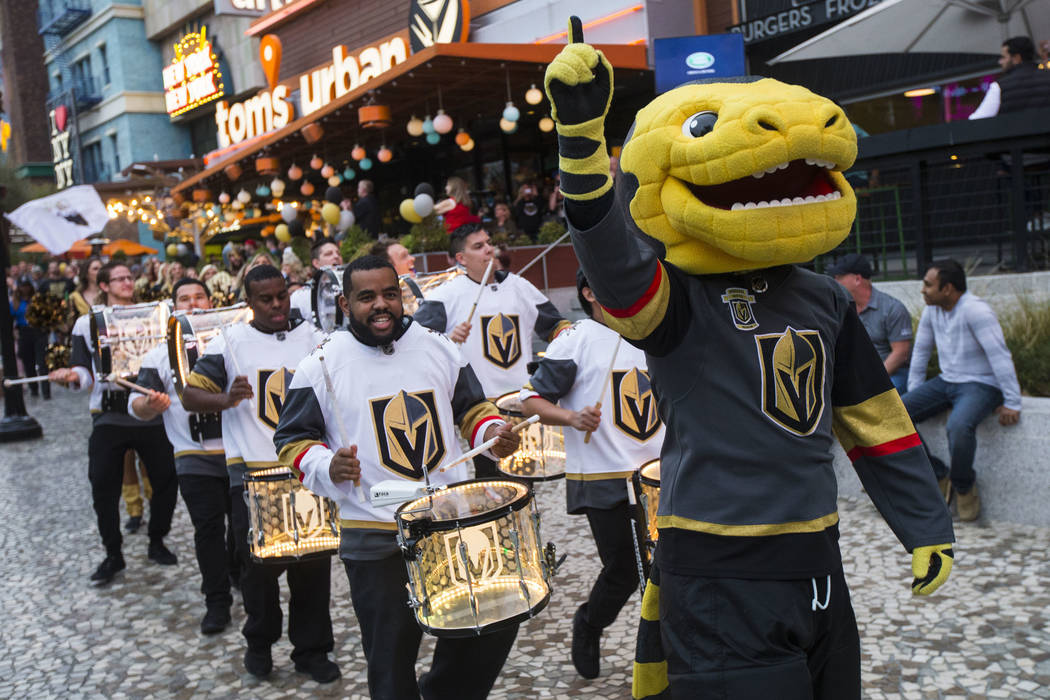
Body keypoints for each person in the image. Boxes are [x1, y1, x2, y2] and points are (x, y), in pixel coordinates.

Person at [544, 31, 954, 699]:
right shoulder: (675, 300)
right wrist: (582, 144)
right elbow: (614, 264)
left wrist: (924, 523)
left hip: (818, 557)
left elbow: (874, 417)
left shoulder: (823, 297)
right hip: (716, 566)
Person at [274, 255, 521, 700]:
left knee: (489, 627)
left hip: (450, 521)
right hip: (374, 535)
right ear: (346, 304)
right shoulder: (321, 363)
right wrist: (326, 464)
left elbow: (473, 410)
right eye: (367, 297)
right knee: (390, 660)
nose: (381, 305)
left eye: (390, 293)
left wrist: (493, 434)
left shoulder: (438, 345)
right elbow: (292, 439)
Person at [180, 265, 338, 683]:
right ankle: (260, 644)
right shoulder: (230, 342)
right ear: (249, 303)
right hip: (253, 472)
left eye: (281, 296)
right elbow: (189, 395)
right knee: (258, 568)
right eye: (265, 299)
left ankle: (311, 649)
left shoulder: (313, 337)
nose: (276, 305)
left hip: (305, 466)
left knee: (313, 561)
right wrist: (224, 398)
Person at [520, 269, 664, 680]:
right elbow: (531, 399)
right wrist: (571, 416)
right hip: (603, 476)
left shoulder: (654, 331)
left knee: (664, 566)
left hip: (658, 472)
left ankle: (666, 657)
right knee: (623, 567)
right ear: (588, 291)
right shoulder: (577, 337)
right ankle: (590, 622)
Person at [49, 261, 179, 585]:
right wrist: (69, 376)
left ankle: (156, 540)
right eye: (118, 279)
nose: (126, 282)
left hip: (150, 410)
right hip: (109, 413)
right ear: (104, 286)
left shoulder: (154, 315)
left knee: (166, 479)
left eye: (129, 277)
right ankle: (113, 553)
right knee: (102, 483)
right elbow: (83, 371)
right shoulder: (86, 322)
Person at [414, 223, 571, 477]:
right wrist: (447, 339)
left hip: (518, 402)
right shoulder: (445, 295)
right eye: (479, 246)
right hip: (481, 407)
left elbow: (555, 326)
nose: (489, 250)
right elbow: (415, 344)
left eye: (488, 243)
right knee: (491, 481)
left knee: (524, 478)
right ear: (461, 259)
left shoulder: (519, 286)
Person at [128, 278, 236, 635]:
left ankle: (243, 580)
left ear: (211, 303)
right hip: (193, 455)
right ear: (174, 309)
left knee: (241, 529)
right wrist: (149, 404)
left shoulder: (236, 343)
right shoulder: (159, 354)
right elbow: (137, 406)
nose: (192, 304)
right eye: (184, 299)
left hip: (239, 454)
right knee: (207, 529)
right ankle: (216, 602)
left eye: (199, 297)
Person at [902, 260, 1022, 522]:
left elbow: (999, 356)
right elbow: (920, 353)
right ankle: (937, 475)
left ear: (948, 289)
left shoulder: (976, 311)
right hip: (947, 381)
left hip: (982, 384)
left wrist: (1013, 401)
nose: (922, 290)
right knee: (897, 414)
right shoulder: (932, 311)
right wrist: (914, 394)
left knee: (958, 426)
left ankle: (964, 486)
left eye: (928, 285)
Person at [827, 253, 913, 394]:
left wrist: (872, 380)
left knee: (879, 399)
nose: (835, 281)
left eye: (840, 277)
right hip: (855, 376)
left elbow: (900, 353)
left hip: (891, 374)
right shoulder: (839, 309)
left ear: (857, 279)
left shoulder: (892, 308)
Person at [969, 36, 1050, 119]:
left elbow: (976, 120)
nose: (1000, 62)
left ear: (1016, 58)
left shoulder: (999, 86)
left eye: (1004, 57)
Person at [289, 239, 343, 326]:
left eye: (339, 253)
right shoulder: (300, 296)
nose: (336, 256)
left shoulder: (352, 288)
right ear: (316, 263)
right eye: (329, 254)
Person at [12, 278, 49, 398]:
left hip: (38, 330)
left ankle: (46, 391)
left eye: (27, 286)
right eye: (23, 286)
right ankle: (33, 388)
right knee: (28, 362)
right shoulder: (15, 302)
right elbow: (12, 318)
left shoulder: (37, 299)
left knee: (42, 362)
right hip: (24, 332)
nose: (25, 289)